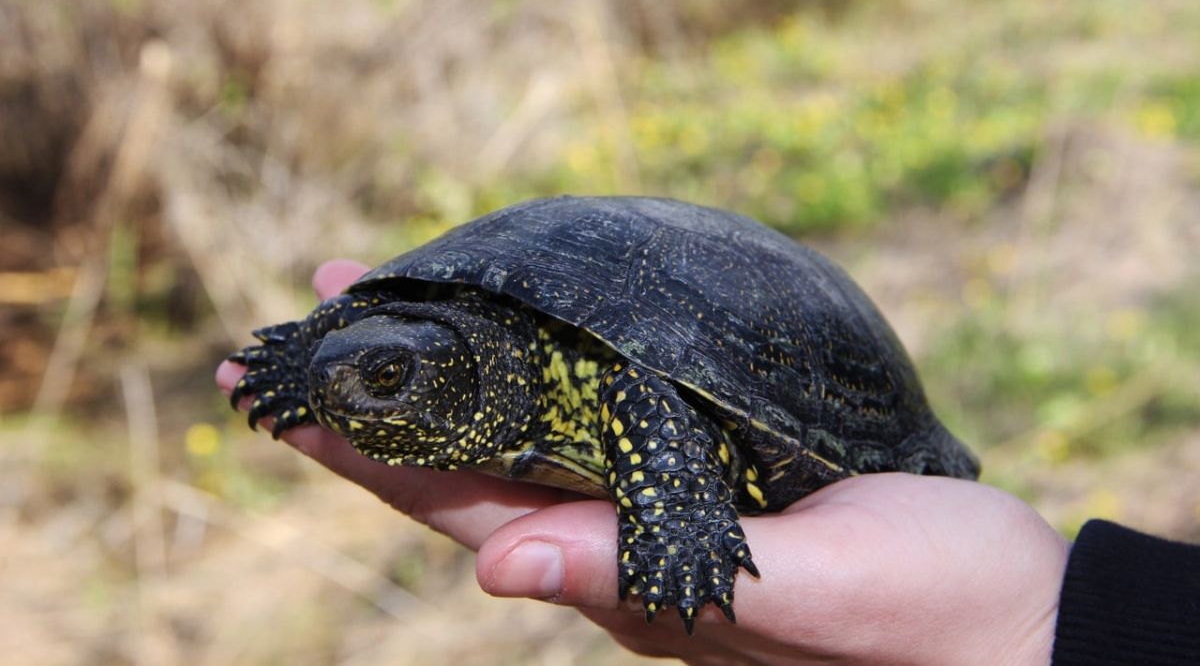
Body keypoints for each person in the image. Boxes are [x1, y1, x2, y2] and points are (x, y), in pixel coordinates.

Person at [215, 260, 1200, 666]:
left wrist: (1038, 627)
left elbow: (640, 389)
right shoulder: (425, 335)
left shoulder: (600, 384)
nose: (353, 388)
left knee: (634, 392)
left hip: (806, 385)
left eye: (384, 376)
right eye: (350, 371)